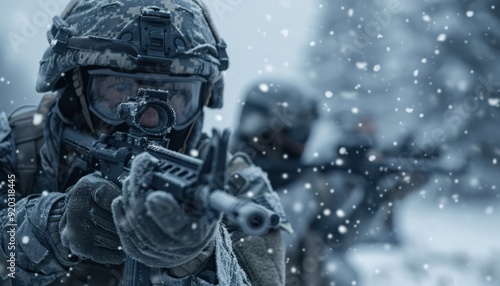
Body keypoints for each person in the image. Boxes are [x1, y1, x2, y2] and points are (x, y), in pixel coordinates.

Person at [0, 0, 288, 285]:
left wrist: (198, 255)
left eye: (175, 93)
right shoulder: (15, 151)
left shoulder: (236, 187)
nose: (150, 118)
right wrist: (49, 228)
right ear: (74, 92)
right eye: (121, 87)